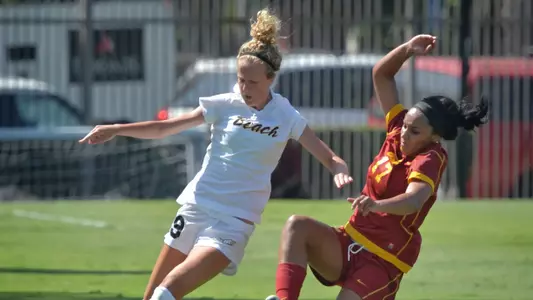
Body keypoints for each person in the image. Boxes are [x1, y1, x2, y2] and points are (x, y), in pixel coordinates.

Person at [79, 8, 353, 300]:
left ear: (271, 79)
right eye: (240, 79)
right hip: (196, 206)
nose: (244, 88)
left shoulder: (286, 115)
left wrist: (340, 170)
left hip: (233, 222)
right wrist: (117, 129)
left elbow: (330, 158)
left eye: (253, 82)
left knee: (164, 295)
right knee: (151, 298)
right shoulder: (224, 104)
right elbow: (165, 128)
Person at [269, 34, 489, 300]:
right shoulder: (396, 131)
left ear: (434, 136)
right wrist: (408, 49)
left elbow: (414, 199)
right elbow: (382, 75)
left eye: (414, 130)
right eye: (405, 124)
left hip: (382, 261)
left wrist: (377, 206)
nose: (404, 132)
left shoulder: (431, 157)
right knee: (297, 226)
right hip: (348, 242)